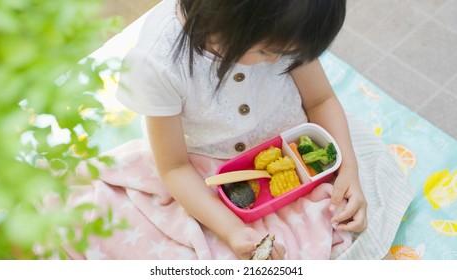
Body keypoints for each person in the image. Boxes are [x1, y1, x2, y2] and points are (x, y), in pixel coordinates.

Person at [116, 0, 413, 259]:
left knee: (359, 206)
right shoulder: (157, 64)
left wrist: (348, 169)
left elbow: (321, 99)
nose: (278, 60)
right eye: (269, 52)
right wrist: (232, 230)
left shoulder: (288, 22)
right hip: (210, 166)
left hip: (292, 137)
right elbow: (174, 168)